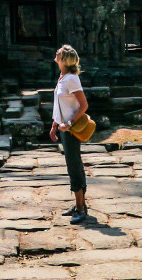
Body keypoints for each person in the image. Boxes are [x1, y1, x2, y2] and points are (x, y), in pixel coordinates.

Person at [50, 43, 89, 223]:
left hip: (72, 129)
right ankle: (79, 203)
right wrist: (54, 125)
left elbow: (84, 105)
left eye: (61, 51)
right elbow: (61, 105)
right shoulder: (62, 77)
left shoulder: (71, 79)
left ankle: (80, 208)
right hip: (64, 127)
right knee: (73, 164)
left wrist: (69, 123)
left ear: (64, 60)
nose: (57, 51)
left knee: (74, 166)